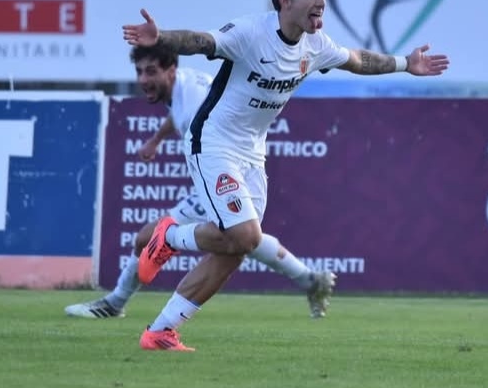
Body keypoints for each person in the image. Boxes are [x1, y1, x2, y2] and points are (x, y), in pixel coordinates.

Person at [122, 0, 450, 352]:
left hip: (253, 152)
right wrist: (162, 39)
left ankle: (161, 331)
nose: (321, 1)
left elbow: (357, 60)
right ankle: (169, 236)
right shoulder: (250, 33)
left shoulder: (316, 44)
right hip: (213, 142)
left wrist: (405, 64)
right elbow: (202, 41)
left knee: (237, 248)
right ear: (284, 1)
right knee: (245, 235)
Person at [64, 43, 336, 323]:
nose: (143, 79)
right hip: (232, 171)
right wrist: (156, 139)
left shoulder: (193, 98)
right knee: (245, 238)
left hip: (228, 174)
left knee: (154, 238)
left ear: (171, 70)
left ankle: (118, 301)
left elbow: (205, 130)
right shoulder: (181, 89)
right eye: (140, 72)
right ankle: (311, 280)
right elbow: (177, 116)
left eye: (151, 71)